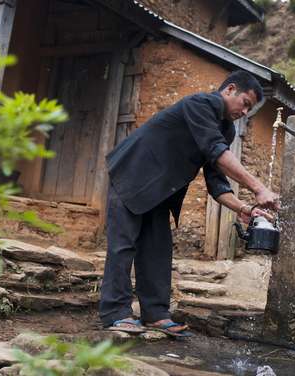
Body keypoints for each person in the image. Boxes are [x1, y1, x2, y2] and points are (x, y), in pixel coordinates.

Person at [99, 70, 279, 337]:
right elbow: (215, 152)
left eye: (250, 109)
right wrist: (258, 187)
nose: (245, 112)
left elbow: (216, 182)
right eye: (245, 103)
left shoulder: (225, 130)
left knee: (158, 250)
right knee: (123, 245)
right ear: (229, 90)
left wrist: (244, 208)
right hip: (133, 173)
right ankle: (116, 313)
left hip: (160, 191)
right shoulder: (200, 104)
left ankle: (156, 314)